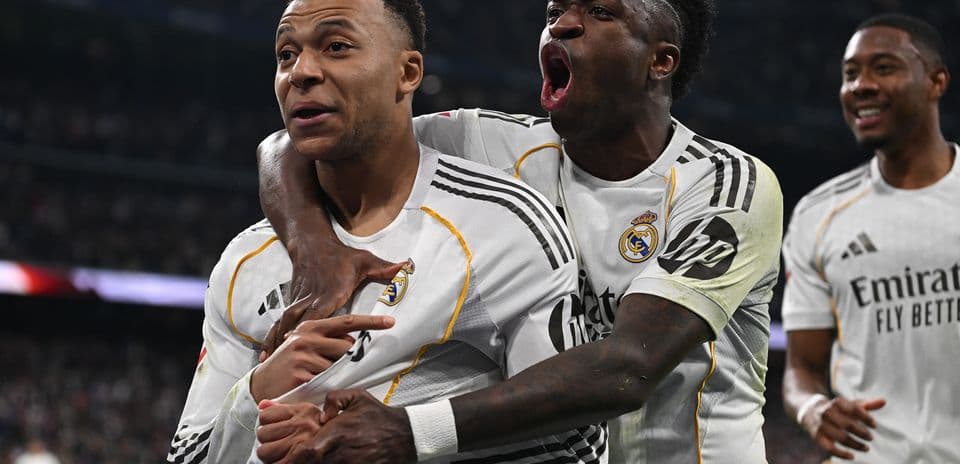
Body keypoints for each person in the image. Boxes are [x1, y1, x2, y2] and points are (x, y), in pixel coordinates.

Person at [254, 0, 784, 462]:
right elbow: (296, 143)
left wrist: (410, 431)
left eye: (599, 12)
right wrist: (315, 253)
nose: (563, 25)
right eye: (554, 13)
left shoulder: (725, 186)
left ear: (660, 60)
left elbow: (631, 365)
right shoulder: (489, 145)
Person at [166, 0, 604, 463]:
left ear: (408, 71)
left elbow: (574, 443)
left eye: (336, 46)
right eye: (286, 54)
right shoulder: (244, 261)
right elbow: (188, 456)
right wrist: (256, 392)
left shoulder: (505, 229)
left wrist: (396, 436)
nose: (301, 72)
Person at [781, 13, 960, 463]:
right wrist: (813, 409)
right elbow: (801, 371)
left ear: (936, 82)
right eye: (850, 74)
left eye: (884, 67)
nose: (860, 85)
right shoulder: (817, 215)